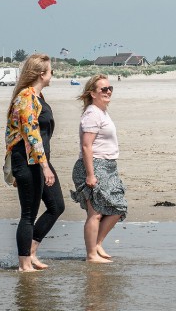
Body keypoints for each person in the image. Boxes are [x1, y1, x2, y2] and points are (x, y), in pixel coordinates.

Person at [5, 53, 58, 272]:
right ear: (40, 74)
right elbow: (31, 134)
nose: (53, 74)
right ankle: (23, 264)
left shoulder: (39, 96)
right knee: (29, 213)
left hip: (40, 159)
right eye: (51, 70)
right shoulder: (26, 96)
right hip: (28, 161)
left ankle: (32, 251)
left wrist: (45, 163)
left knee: (56, 206)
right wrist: (44, 167)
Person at [70, 74, 127, 263]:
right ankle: (91, 255)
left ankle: (97, 244)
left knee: (118, 207)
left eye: (110, 88)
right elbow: (87, 146)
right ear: (92, 93)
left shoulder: (102, 111)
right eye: (103, 89)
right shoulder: (92, 113)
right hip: (94, 165)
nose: (108, 91)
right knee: (95, 213)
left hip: (108, 166)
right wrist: (90, 174)